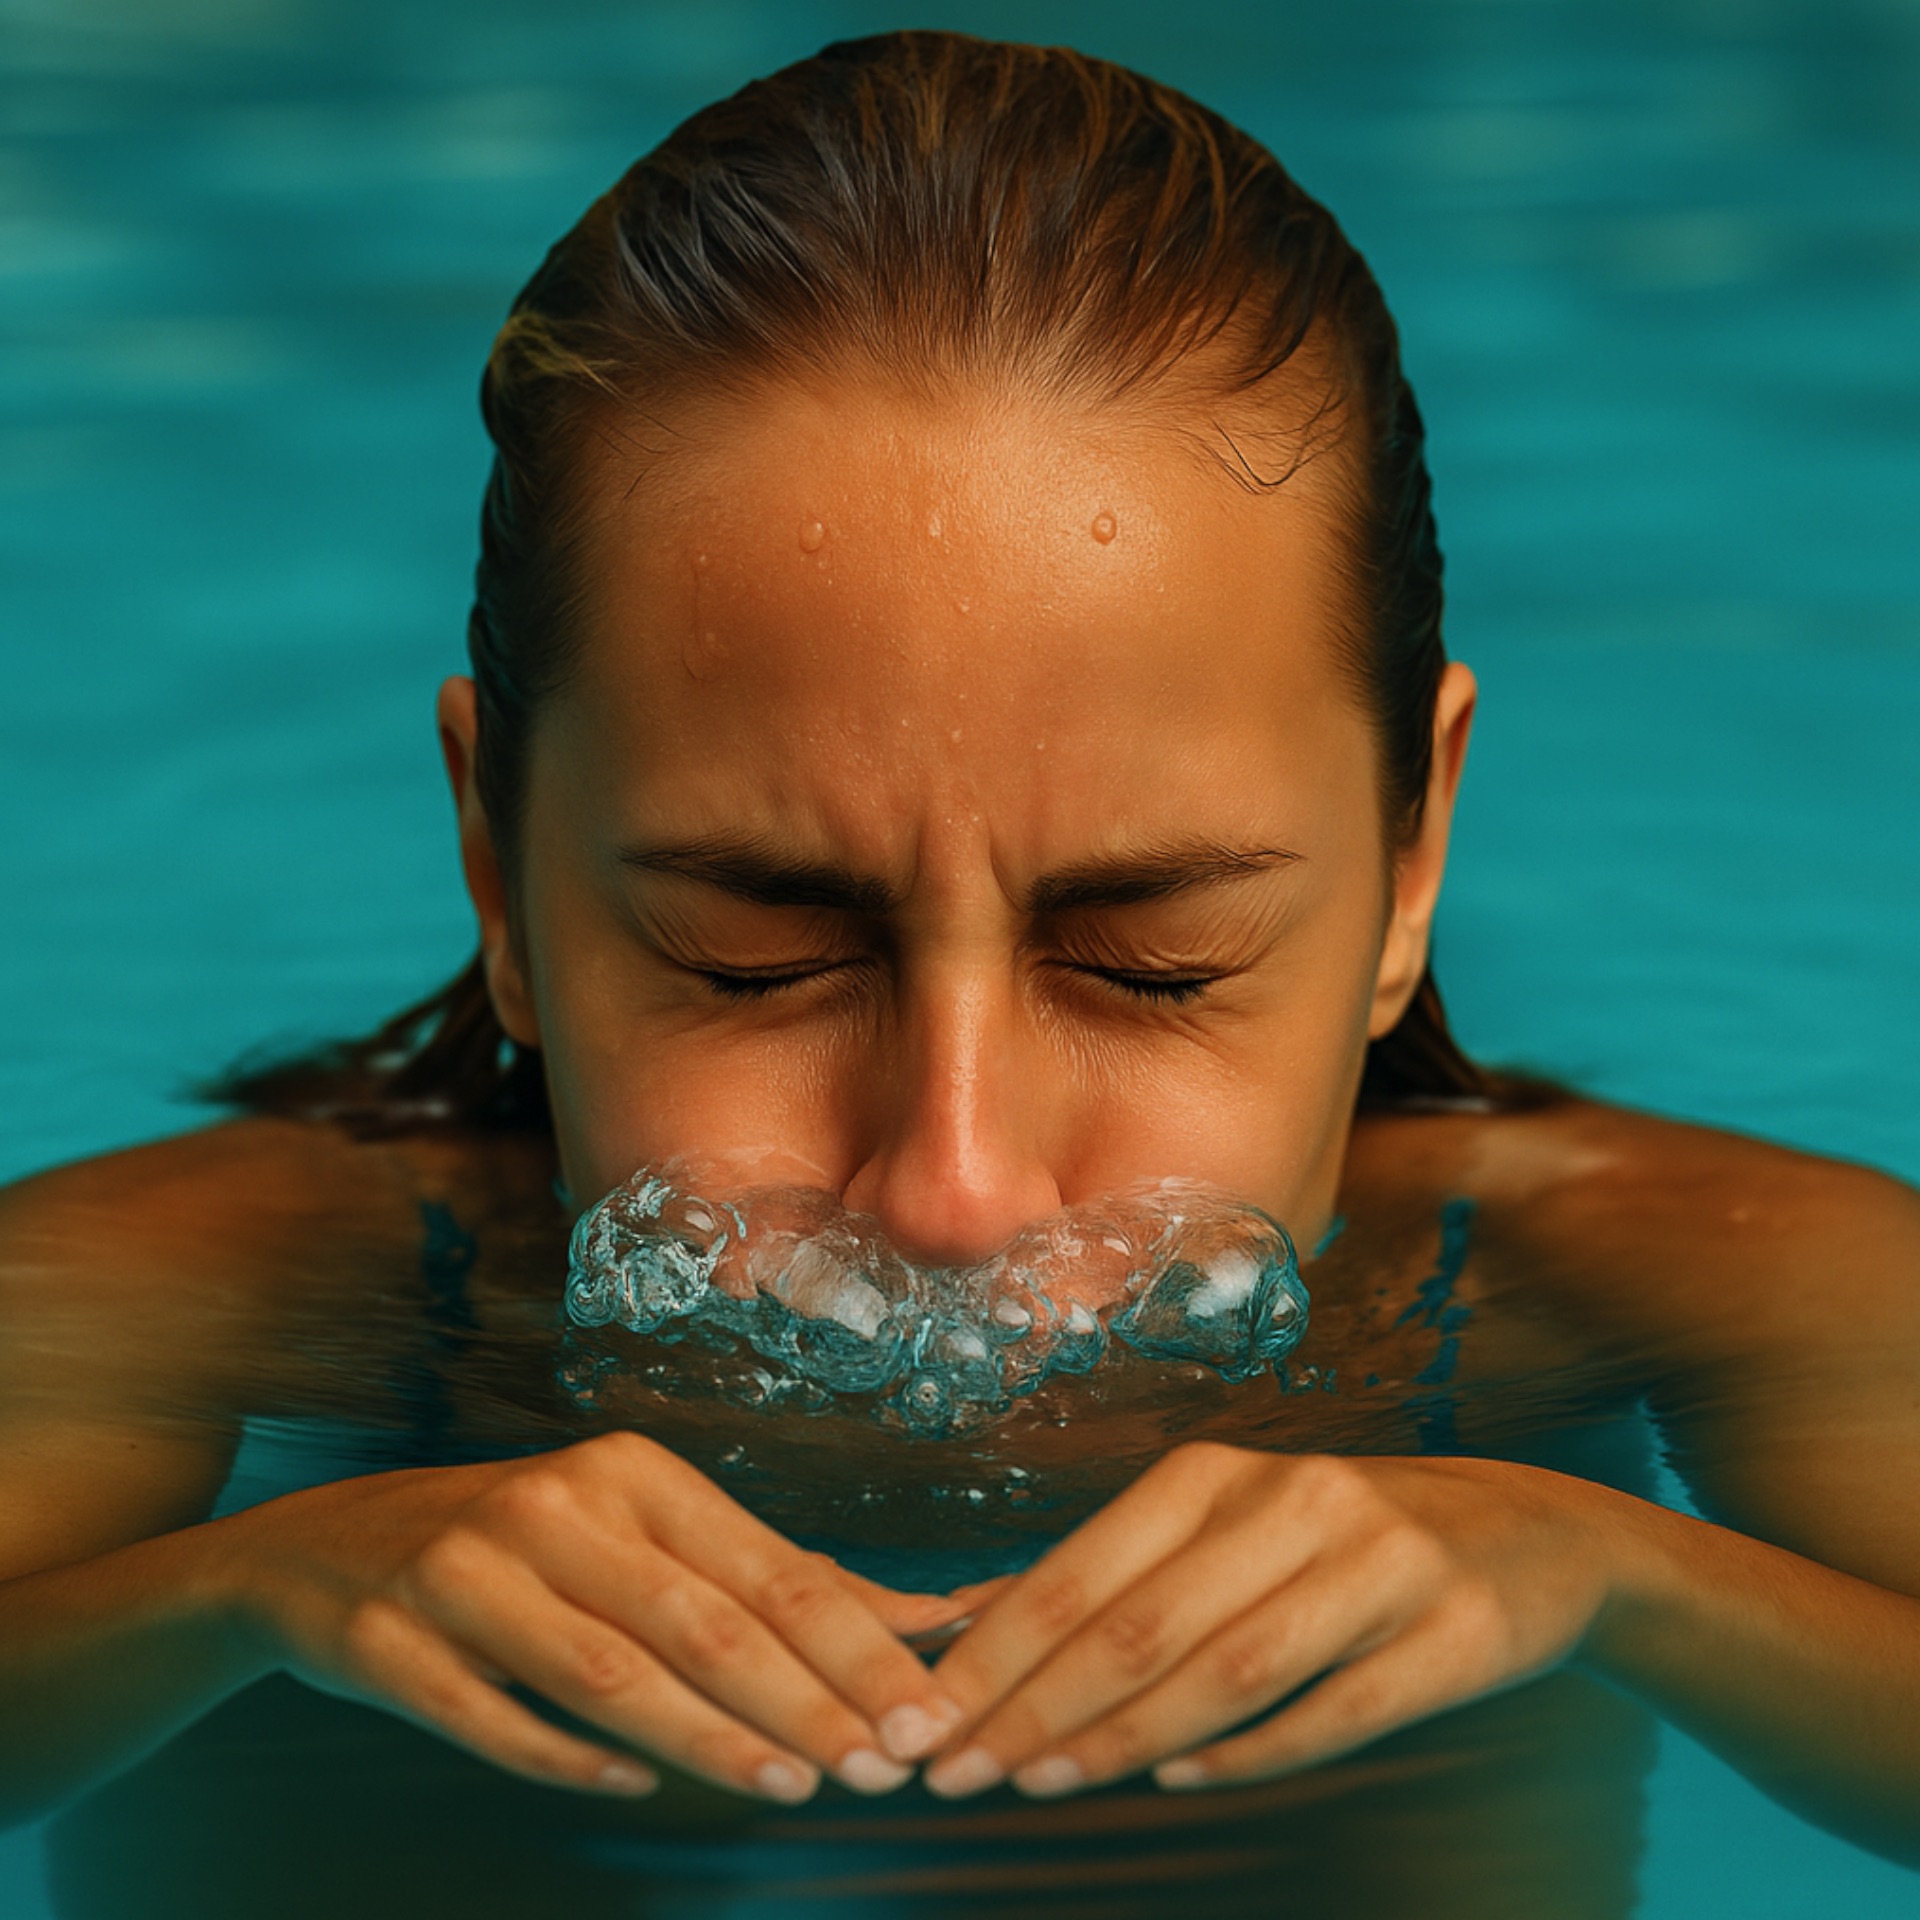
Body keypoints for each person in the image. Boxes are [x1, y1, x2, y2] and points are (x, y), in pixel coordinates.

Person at [2, 29, 1916, 1916]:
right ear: (499, 871)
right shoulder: (236, 1284)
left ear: (1413, 852)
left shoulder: (1630, 1277)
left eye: (1158, 965)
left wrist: (1605, 1569)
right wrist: (247, 1591)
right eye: (750, 960)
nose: (955, 1190)